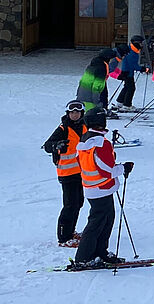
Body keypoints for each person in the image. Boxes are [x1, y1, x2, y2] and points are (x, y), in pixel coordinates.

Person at [72, 108, 131, 269]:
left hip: (92, 187)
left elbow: (81, 162)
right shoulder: (101, 143)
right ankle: (83, 258)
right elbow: (107, 170)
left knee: (106, 220)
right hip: (102, 187)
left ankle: (100, 252)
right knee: (97, 223)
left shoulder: (84, 140)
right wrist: (123, 168)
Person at [42, 100, 88, 247]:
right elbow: (47, 146)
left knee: (78, 202)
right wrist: (57, 145)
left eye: (77, 112)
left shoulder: (85, 126)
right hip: (67, 173)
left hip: (81, 172)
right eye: (72, 112)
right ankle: (63, 237)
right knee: (70, 205)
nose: (75, 115)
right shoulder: (63, 129)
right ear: (68, 114)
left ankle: (71, 231)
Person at [113, 35, 145, 110]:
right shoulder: (132, 52)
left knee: (127, 87)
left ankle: (120, 102)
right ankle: (127, 105)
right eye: (140, 43)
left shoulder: (132, 50)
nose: (142, 45)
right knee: (131, 88)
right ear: (136, 43)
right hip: (127, 73)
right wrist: (142, 69)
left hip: (127, 72)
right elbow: (133, 65)